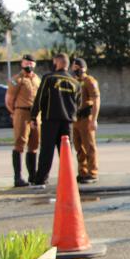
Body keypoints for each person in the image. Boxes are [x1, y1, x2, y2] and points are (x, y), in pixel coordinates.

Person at [29, 53, 80, 186]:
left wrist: (33, 116)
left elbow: (40, 98)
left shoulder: (49, 78)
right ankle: (68, 181)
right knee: (66, 153)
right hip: (68, 122)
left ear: (57, 62)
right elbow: (78, 103)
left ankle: (41, 180)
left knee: (47, 151)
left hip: (50, 120)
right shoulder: (75, 82)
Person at [5, 54, 40, 187]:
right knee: (20, 144)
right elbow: (9, 100)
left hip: (35, 114)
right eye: (26, 63)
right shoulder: (17, 80)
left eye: (31, 63)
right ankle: (18, 177)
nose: (28, 65)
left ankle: (33, 175)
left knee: (34, 144)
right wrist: (15, 113)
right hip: (22, 112)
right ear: (22, 64)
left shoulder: (37, 79)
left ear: (34, 64)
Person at [71, 58, 100, 184]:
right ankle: (82, 172)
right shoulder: (73, 81)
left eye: (79, 68)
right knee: (78, 147)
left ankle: (92, 172)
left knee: (89, 146)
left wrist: (94, 119)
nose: (77, 70)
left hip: (86, 117)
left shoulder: (90, 81)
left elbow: (96, 100)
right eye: (75, 68)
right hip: (75, 118)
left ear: (85, 69)